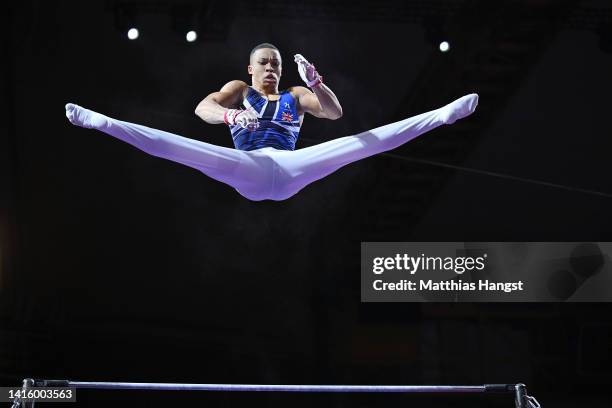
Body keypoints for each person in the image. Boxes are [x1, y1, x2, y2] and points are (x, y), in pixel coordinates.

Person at [65, 42, 479, 201]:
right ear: (249, 68)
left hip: (291, 168)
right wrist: (230, 113)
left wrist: (317, 82)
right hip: (247, 168)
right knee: (178, 147)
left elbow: (334, 114)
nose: (271, 69)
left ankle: (439, 117)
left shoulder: (295, 96)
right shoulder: (236, 89)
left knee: (362, 142)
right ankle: (105, 123)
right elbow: (201, 110)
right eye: (264, 63)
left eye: (276, 65)